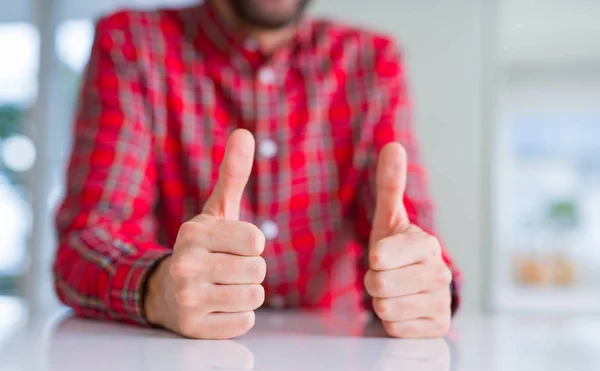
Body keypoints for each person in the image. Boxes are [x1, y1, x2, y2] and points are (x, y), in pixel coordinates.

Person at [53, 0, 462, 339]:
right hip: (174, 365)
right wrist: (158, 288)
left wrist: (423, 283)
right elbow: (87, 242)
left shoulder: (371, 61)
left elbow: (407, 232)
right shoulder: (133, 43)